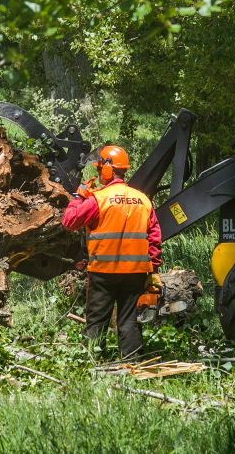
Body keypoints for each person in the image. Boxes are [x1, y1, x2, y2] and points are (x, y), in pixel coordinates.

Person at [62, 145, 162, 359]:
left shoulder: (98, 199)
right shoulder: (143, 199)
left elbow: (69, 221)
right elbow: (154, 238)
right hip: (135, 273)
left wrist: (78, 196)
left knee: (97, 321)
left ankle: (92, 363)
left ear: (108, 169)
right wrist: (153, 270)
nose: (98, 174)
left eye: (99, 169)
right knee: (129, 322)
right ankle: (133, 363)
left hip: (103, 273)